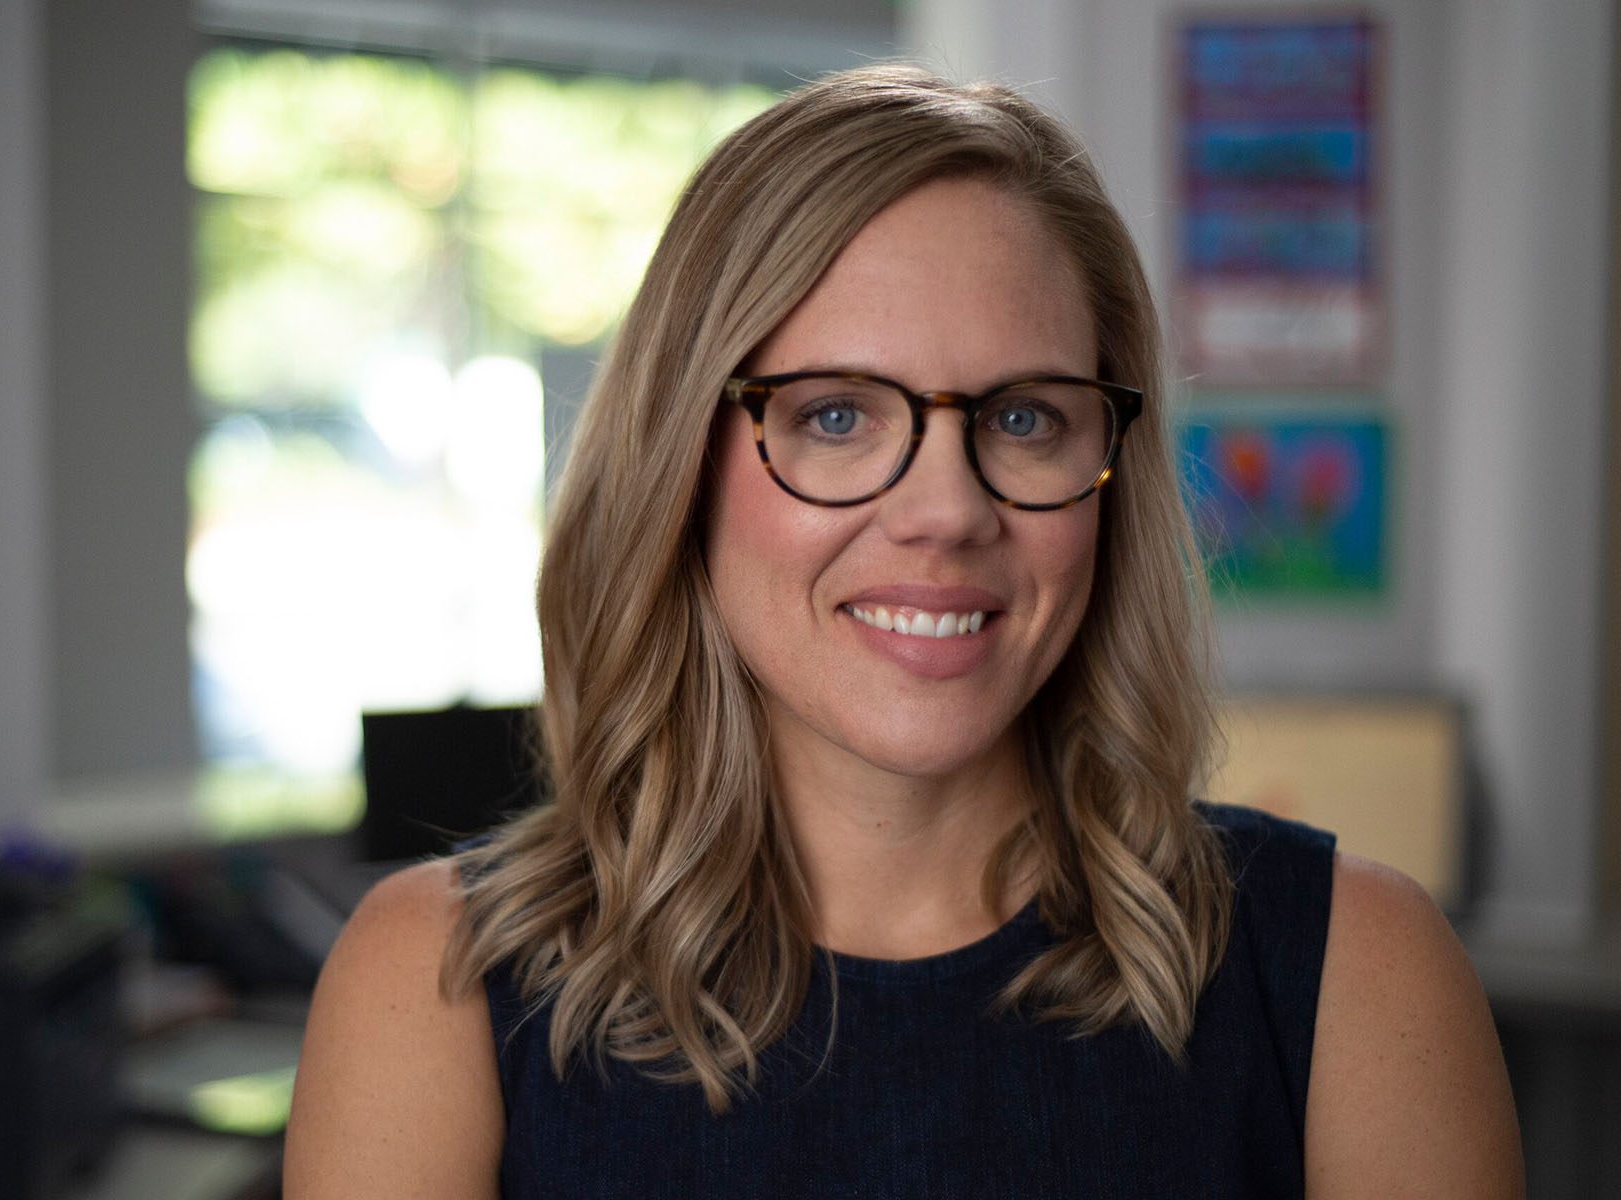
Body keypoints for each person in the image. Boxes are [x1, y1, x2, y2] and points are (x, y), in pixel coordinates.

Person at [284, 65, 1524, 1198]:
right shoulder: (431, 987)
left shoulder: (1357, 975)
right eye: (834, 417)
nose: (947, 512)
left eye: (1027, 420)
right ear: (683, 466)